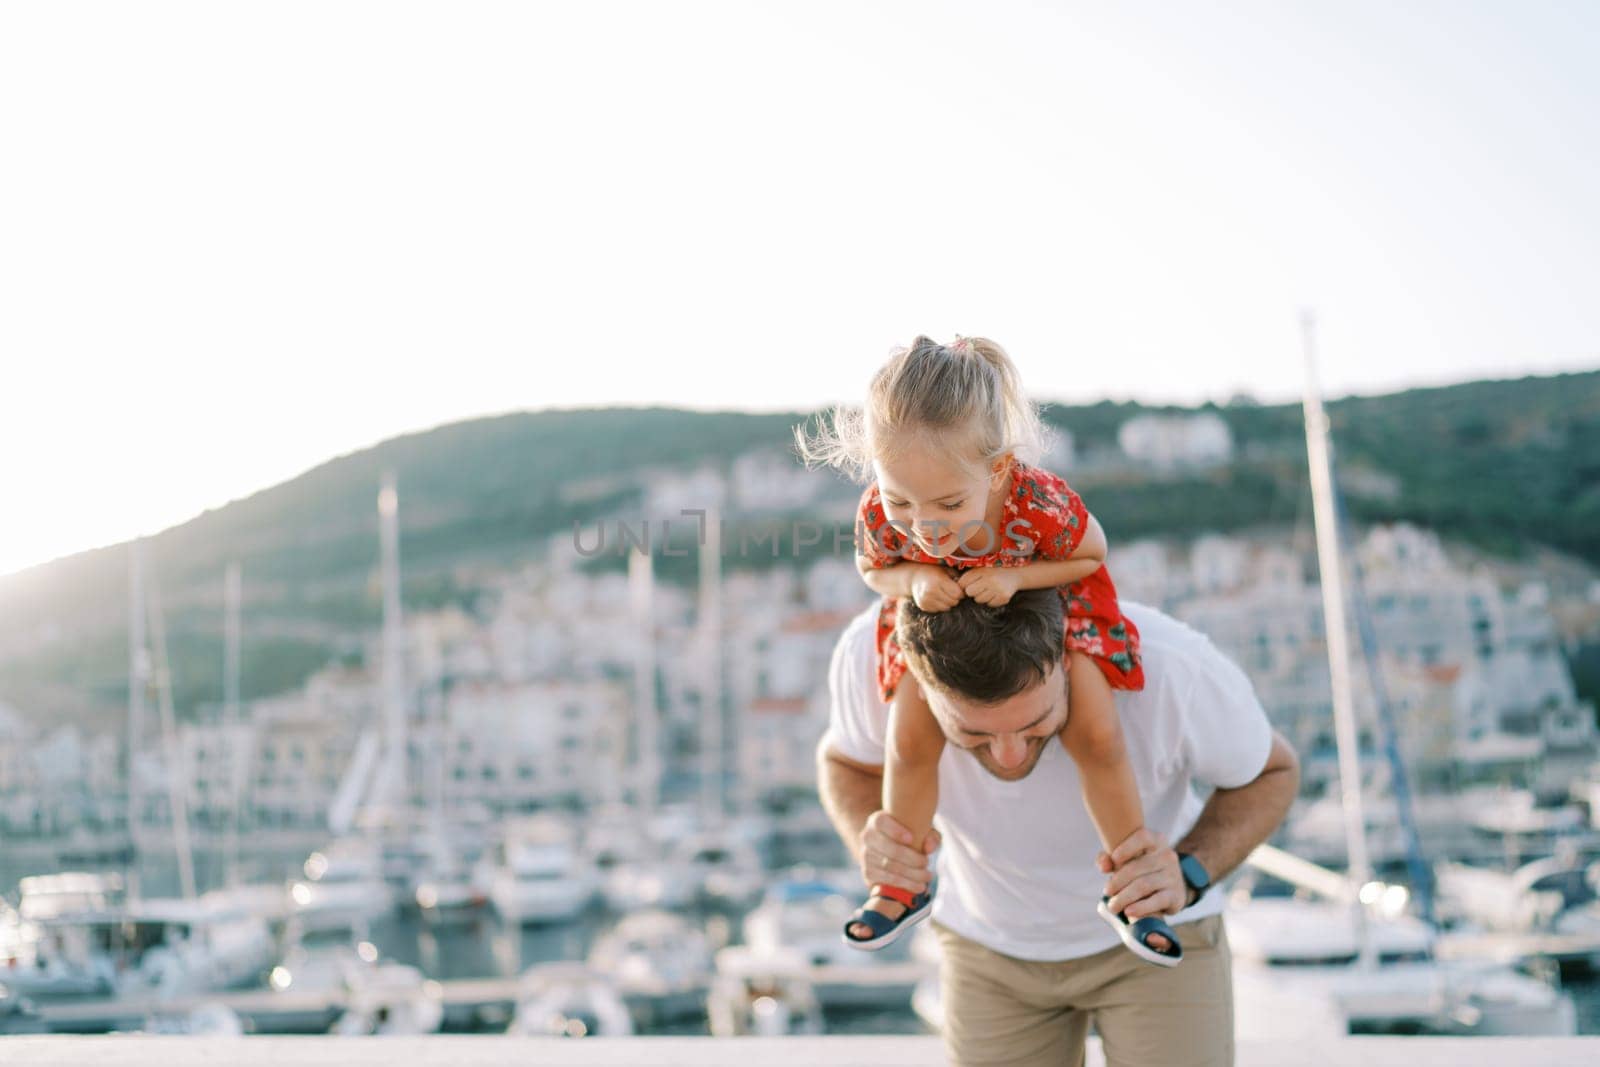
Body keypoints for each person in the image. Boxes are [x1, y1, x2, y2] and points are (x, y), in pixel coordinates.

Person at [797, 334, 1167, 961]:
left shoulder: (1038, 501)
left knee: (1097, 737)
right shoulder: (882, 513)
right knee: (909, 740)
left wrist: (1018, 576)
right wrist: (912, 577)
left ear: (996, 470)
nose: (925, 525)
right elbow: (873, 570)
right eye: (901, 501)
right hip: (936, 613)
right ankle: (898, 884)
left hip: (1051, 605)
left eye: (948, 503)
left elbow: (1090, 555)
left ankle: (1133, 884)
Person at [816, 589, 1299, 1066]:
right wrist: (877, 847)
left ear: (1068, 659)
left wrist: (1187, 872)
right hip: (989, 951)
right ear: (920, 687)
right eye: (974, 733)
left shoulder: (1173, 666)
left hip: (1159, 939)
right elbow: (844, 761)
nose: (1010, 756)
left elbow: (1273, 773)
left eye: (1036, 723)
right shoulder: (871, 653)